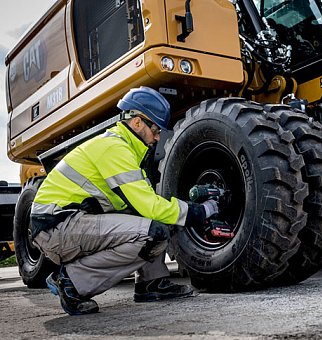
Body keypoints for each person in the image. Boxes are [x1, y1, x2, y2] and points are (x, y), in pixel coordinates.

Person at [30, 86, 219, 316]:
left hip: (68, 222)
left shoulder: (125, 149)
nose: (158, 138)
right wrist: (200, 212)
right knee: (152, 232)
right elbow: (150, 207)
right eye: (155, 130)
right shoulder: (114, 148)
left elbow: (147, 204)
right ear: (137, 123)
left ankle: (152, 283)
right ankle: (70, 281)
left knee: (150, 219)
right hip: (57, 227)